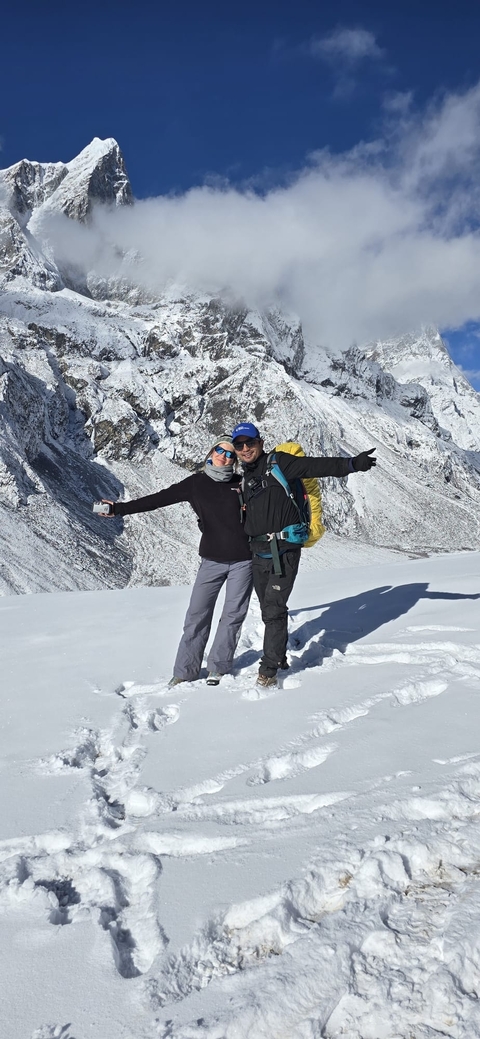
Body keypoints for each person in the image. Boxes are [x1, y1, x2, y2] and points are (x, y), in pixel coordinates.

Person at [98, 435, 253, 687]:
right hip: (211, 560)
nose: (224, 457)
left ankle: (218, 667)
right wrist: (119, 508)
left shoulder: (243, 483)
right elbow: (158, 499)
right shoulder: (195, 484)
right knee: (197, 615)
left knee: (233, 615)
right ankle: (185, 671)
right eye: (220, 451)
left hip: (244, 560)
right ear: (210, 452)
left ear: (235, 460)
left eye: (230, 455)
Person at [231, 422, 377, 689]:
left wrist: (352, 464)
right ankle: (279, 655)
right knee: (268, 610)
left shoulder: (279, 462)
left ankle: (269, 669)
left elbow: (315, 467)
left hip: (283, 551)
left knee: (274, 609)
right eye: (239, 445)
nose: (245, 449)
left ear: (260, 443)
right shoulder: (245, 477)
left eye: (249, 443)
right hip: (257, 553)